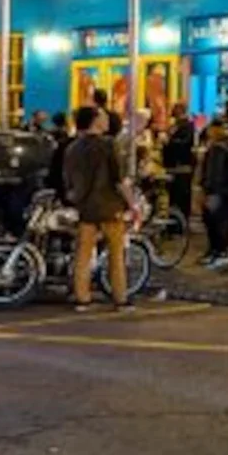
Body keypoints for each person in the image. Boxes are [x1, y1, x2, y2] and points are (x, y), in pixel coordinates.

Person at [63, 105, 132, 312]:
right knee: (116, 255)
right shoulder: (108, 145)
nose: (107, 119)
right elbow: (119, 179)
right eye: (102, 116)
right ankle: (120, 298)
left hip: (84, 206)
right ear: (95, 121)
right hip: (109, 205)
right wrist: (132, 203)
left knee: (83, 254)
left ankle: (82, 298)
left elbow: (68, 180)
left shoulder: (72, 148)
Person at [197, 120, 228, 269]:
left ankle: (220, 252)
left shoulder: (218, 148)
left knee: (216, 222)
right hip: (226, 189)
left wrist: (208, 190)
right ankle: (216, 251)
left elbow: (215, 172)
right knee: (219, 221)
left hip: (218, 191)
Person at [162, 111, 196, 230]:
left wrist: (168, 142)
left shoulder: (186, 128)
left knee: (179, 196)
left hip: (179, 167)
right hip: (178, 167)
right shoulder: (181, 127)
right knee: (178, 196)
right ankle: (177, 223)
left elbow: (182, 145)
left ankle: (177, 225)